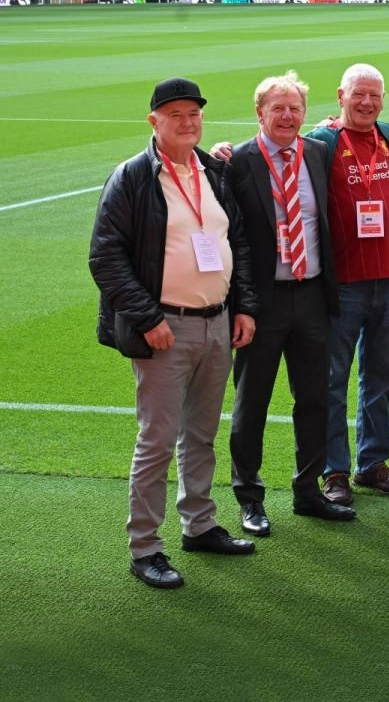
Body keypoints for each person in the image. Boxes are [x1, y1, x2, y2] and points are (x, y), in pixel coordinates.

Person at [89, 77, 259, 589]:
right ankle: (145, 548)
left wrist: (243, 307)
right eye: (176, 114)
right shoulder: (134, 176)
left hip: (216, 322)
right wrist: (148, 319)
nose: (187, 122)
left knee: (202, 434)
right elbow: (105, 256)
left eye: (194, 113)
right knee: (158, 440)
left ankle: (199, 524)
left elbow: (239, 244)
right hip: (165, 327)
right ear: (154, 121)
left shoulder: (214, 171)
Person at [225, 71, 355, 536]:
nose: (287, 116)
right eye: (277, 108)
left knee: (315, 399)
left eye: (294, 108)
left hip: (312, 294)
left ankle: (308, 491)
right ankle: (249, 497)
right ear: (259, 113)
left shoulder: (318, 152)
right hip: (262, 301)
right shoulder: (238, 161)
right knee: (252, 401)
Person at [307, 64, 389, 505]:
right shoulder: (323, 140)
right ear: (340, 95)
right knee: (333, 377)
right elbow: (279, 161)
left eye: (375, 95)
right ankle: (334, 470)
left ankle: (372, 463)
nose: (367, 102)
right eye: (358, 94)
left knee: (383, 373)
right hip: (343, 285)